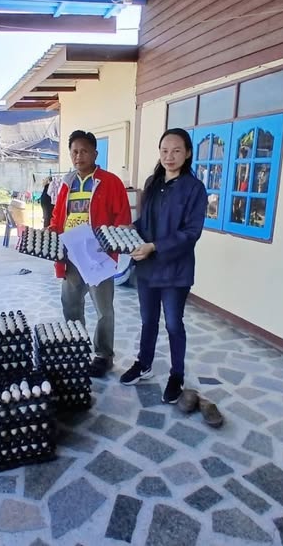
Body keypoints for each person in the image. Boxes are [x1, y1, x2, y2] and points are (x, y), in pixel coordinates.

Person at [120, 128, 208, 404]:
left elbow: (191, 232)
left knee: (172, 324)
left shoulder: (194, 188)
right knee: (148, 320)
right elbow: (146, 222)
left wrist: (155, 246)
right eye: (164, 151)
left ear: (188, 153)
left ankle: (176, 375)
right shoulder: (153, 183)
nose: (169, 156)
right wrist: (130, 230)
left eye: (176, 151)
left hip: (175, 269)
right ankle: (144, 364)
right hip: (147, 268)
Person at [49, 130, 131, 377]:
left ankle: (104, 355)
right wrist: (52, 231)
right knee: (71, 305)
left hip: (97, 256)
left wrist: (110, 242)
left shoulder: (110, 182)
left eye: (84, 151)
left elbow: (122, 218)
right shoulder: (67, 183)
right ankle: (77, 348)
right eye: (74, 151)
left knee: (103, 309)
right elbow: (58, 216)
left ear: (95, 153)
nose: (79, 156)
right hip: (71, 255)